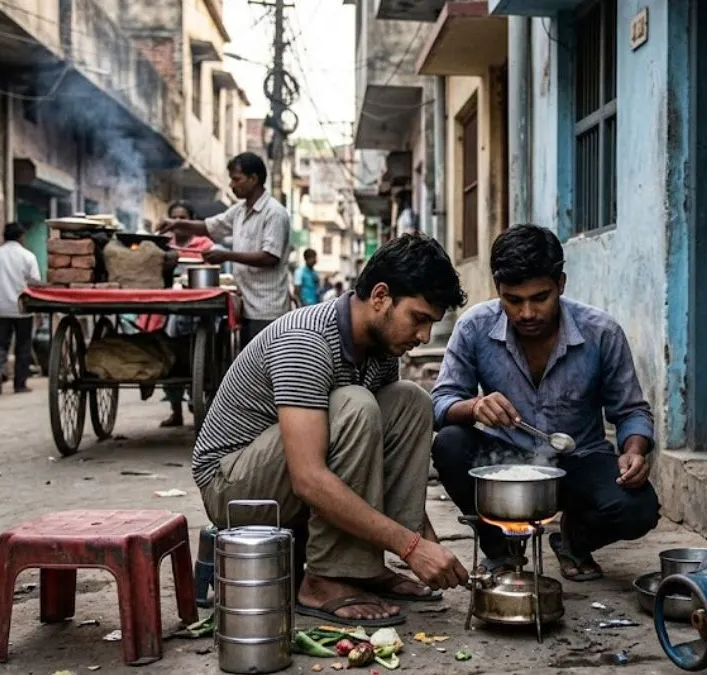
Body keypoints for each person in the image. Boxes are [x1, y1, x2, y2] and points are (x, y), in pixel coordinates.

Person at [192, 233, 470, 626]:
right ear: (380, 296)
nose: (424, 336)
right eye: (419, 318)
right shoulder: (306, 341)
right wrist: (409, 547)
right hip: (233, 488)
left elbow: (383, 455)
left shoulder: (380, 350)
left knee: (411, 401)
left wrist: (427, 544)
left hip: (285, 475)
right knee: (354, 405)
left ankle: (362, 570)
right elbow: (308, 479)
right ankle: (324, 580)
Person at [430, 224, 660, 582]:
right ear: (497, 288)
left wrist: (634, 450)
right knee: (449, 444)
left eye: (540, 298)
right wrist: (474, 407)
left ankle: (573, 540)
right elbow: (440, 403)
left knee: (639, 508)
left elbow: (631, 411)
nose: (527, 313)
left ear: (561, 284)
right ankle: (500, 551)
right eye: (513, 300)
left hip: (578, 462)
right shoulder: (474, 327)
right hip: (505, 466)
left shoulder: (601, 332)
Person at [159, 152, 291, 346]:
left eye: (236, 179)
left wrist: (226, 255)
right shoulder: (240, 210)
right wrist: (176, 224)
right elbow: (209, 226)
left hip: (267, 310)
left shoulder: (274, 213)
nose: (231, 185)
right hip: (245, 305)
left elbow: (270, 257)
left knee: (264, 361)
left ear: (253, 179)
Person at [138, 201, 214, 426]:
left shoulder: (204, 244)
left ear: (191, 220)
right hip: (166, 307)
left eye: (184, 218)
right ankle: (175, 411)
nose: (179, 222)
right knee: (166, 352)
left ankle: (198, 400)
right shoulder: (162, 245)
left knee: (196, 357)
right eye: (175, 218)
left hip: (196, 308)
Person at [0, 221, 45, 396]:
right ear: (21, 237)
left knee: (0, 344)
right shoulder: (28, 256)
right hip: (23, 308)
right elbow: (35, 283)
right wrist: (39, 311)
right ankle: (20, 384)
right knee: (23, 346)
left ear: (4, 237)